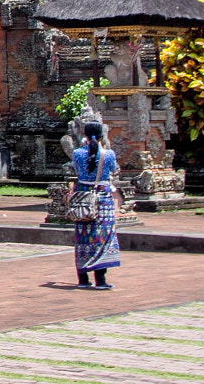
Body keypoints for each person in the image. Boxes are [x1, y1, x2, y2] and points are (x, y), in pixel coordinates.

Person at [70, 121, 120, 290]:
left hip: (83, 198)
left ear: (84, 134)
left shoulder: (77, 153)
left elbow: (77, 171)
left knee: (83, 237)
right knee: (102, 238)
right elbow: (114, 170)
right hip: (102, 198)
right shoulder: (109, 154)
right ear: (102, 135)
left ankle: (82, 279)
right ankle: (100, 280)